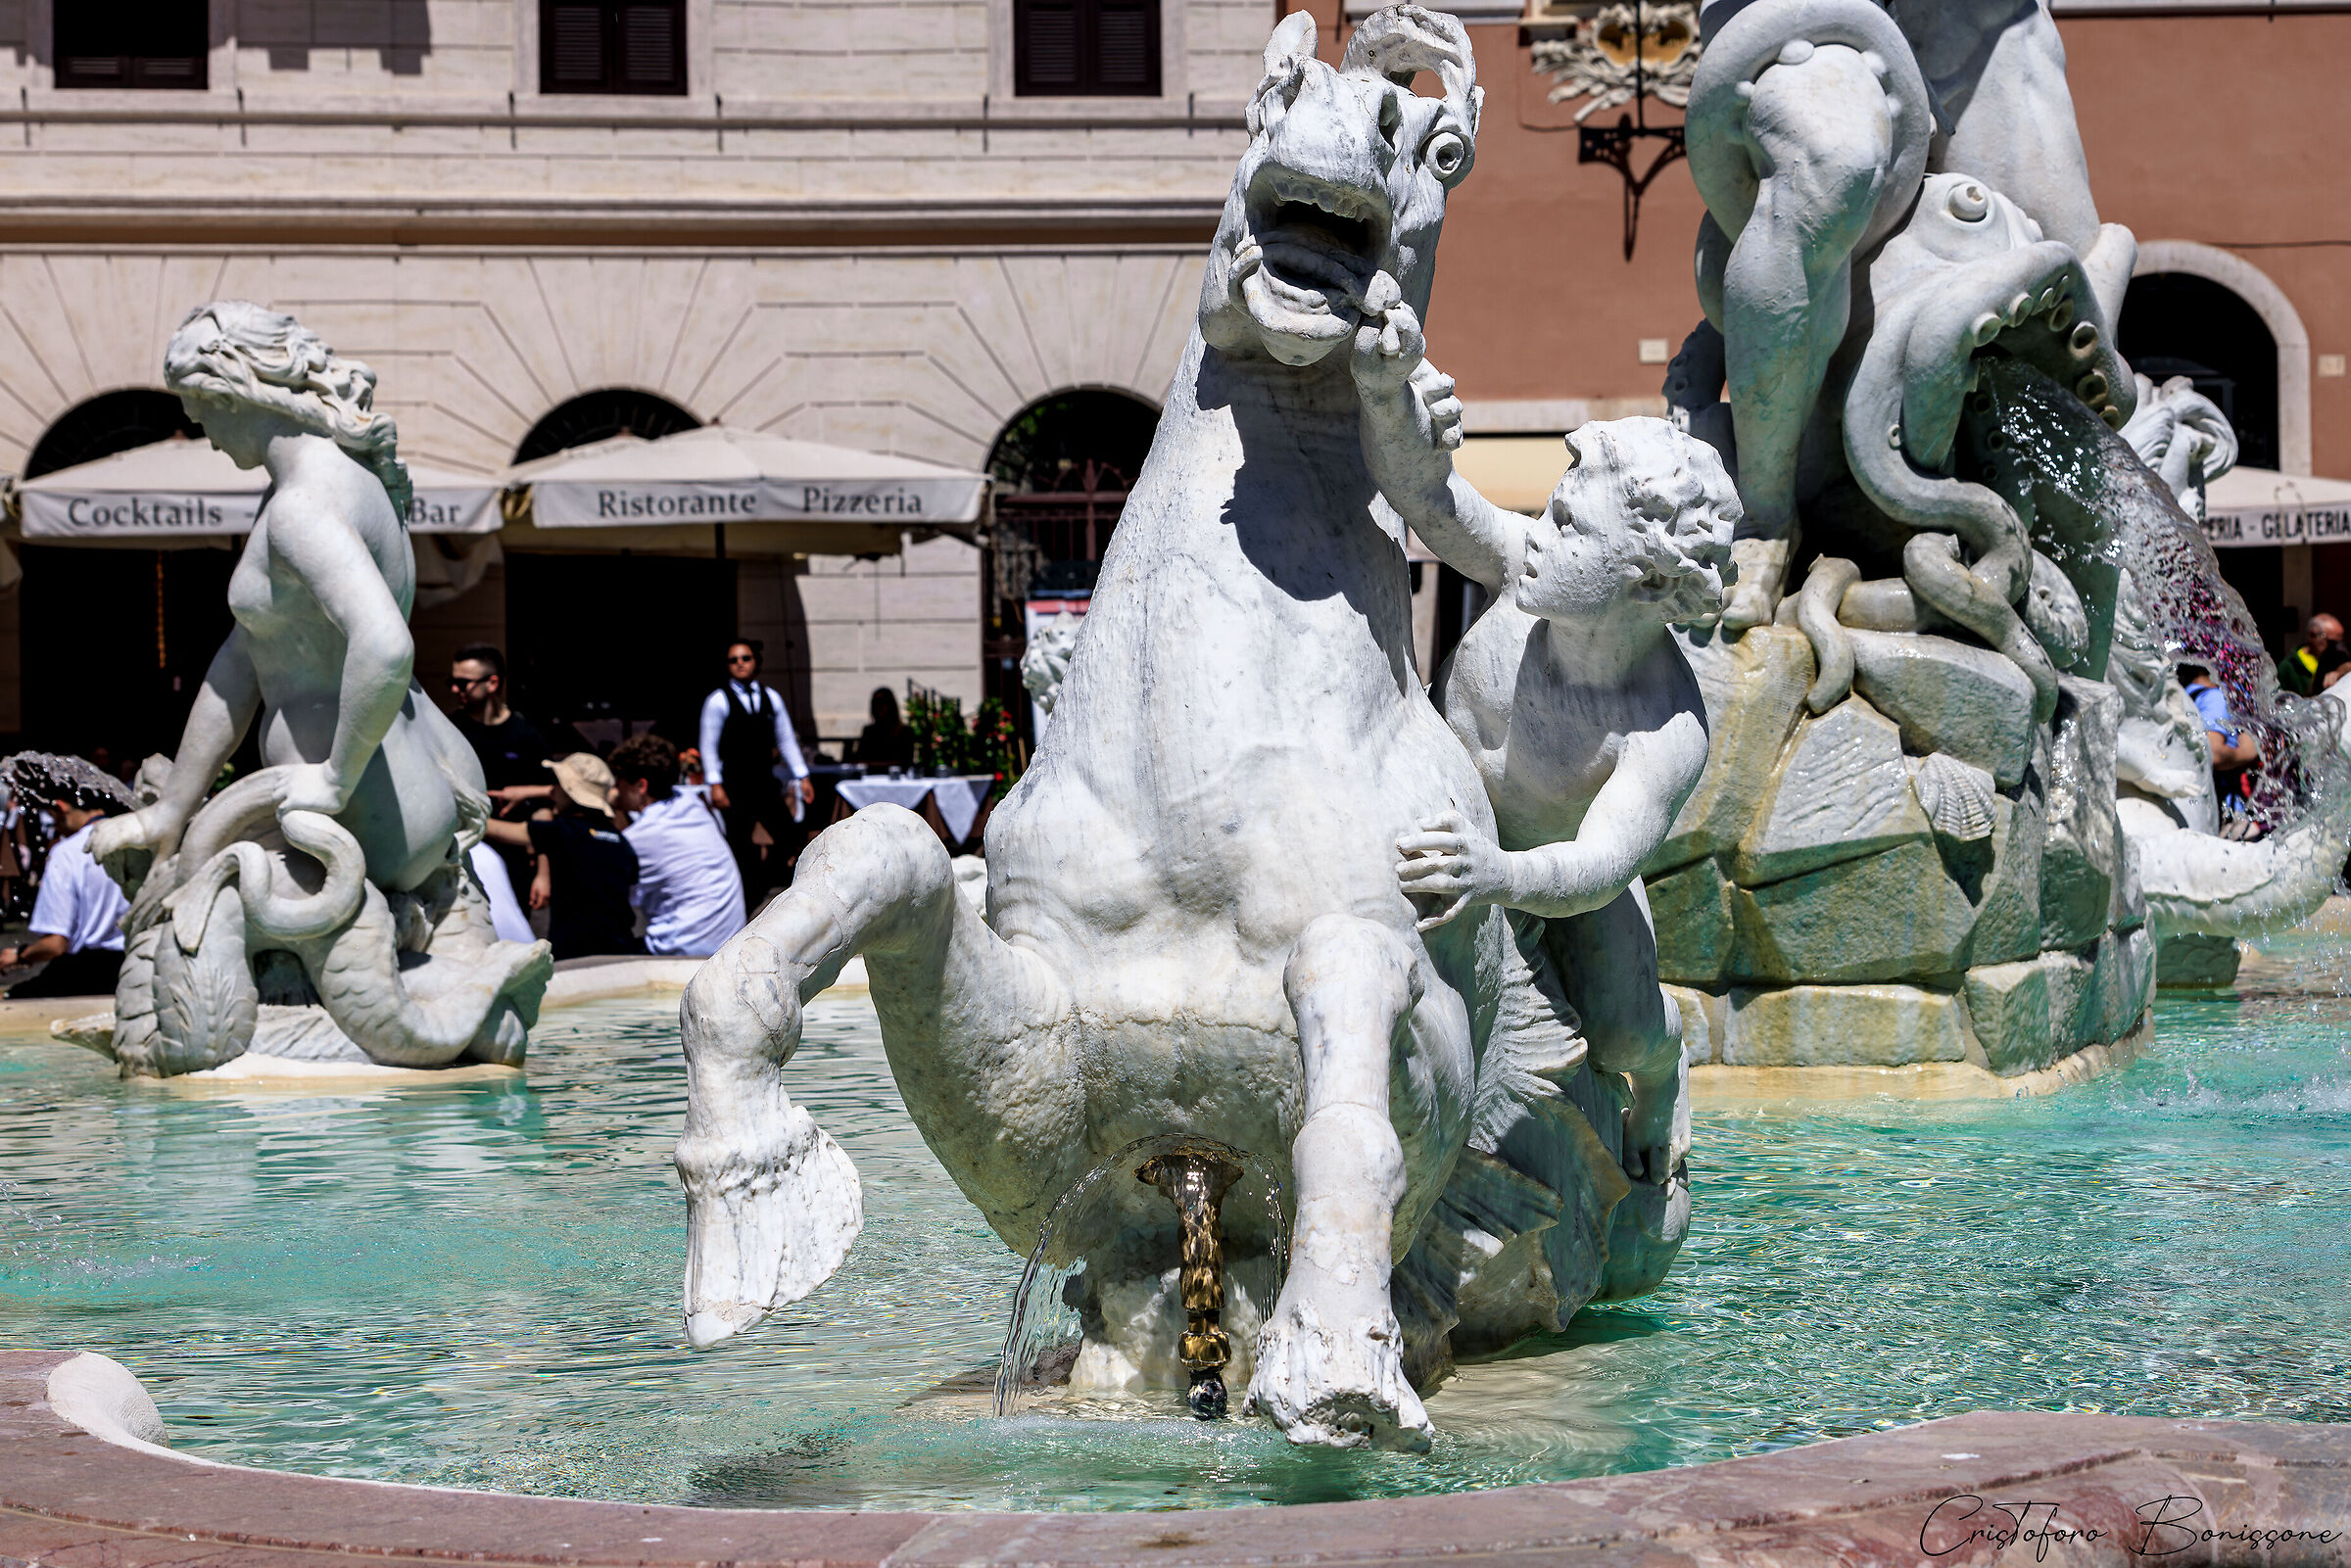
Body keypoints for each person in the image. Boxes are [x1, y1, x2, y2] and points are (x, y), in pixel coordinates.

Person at [1355, 317, 1738, 1184]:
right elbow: (1430, 500)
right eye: (1553, 511)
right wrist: (1392, 404)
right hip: (1446, 813)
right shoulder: (1526, 568)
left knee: (1624, 1031)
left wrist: (1497, 872)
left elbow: (1599, 865)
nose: (1541, 531)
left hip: (1551, 872)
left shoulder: (1665, 727)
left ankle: (1666, 1072)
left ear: (1645, 579)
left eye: (1570, 528)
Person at [483, 753, 643, 961]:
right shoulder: (621, 842)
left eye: (557, 784)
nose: (552, 790)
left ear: (568, 791)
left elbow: (496, 830)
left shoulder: (562, 832)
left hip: (577, 954)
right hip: (621, 950)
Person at [0, 759, 131, 998]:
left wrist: (19, 955)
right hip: (133, 966)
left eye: (54, 820)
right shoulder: (132, 840)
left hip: (84, 973)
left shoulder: (68, 852)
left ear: (61, 808)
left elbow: (55, 944)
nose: (57, 829)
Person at [697, 641, 813, 906]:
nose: (740, 663)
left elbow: (785, 738)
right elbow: (708, 745)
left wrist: (802, 775)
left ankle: (771, 883)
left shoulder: (771, 697)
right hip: (734, 785)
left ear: (756, 662)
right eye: (734, 659)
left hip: (764, 783)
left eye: (745, 658)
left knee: (789, 835)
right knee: (740, 845)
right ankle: (747, 900)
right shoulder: (718, 700)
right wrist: (714, 783)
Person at [610, 734, 745, 957]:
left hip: (681, 951)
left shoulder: (642, 836)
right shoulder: (693, 804)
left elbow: (615, 895)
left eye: (620, 781)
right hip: (729, 944)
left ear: (641, 786)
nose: (616, 787)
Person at [448, 644, 555, 792]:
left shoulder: (526, 734)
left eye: (462, 683)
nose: (454, 689)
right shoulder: (450, 729)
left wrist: (524, 794)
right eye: (451, 682)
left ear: (492, 683)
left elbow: (554, 791)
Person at [2278, 614, 2350, 697]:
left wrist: (2341, 672)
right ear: (2313, 635)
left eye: (2340, 642)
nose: (2337, 647)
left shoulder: (2338, 657)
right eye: (2331, 642)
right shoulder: (2288, 667)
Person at [852, 687, 916, 770]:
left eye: (883, 702)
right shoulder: (869, 731)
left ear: (891, 705)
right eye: (876, 703)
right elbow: (860, 759)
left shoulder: (905, 732)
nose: (879, 706)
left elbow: (905, 761)